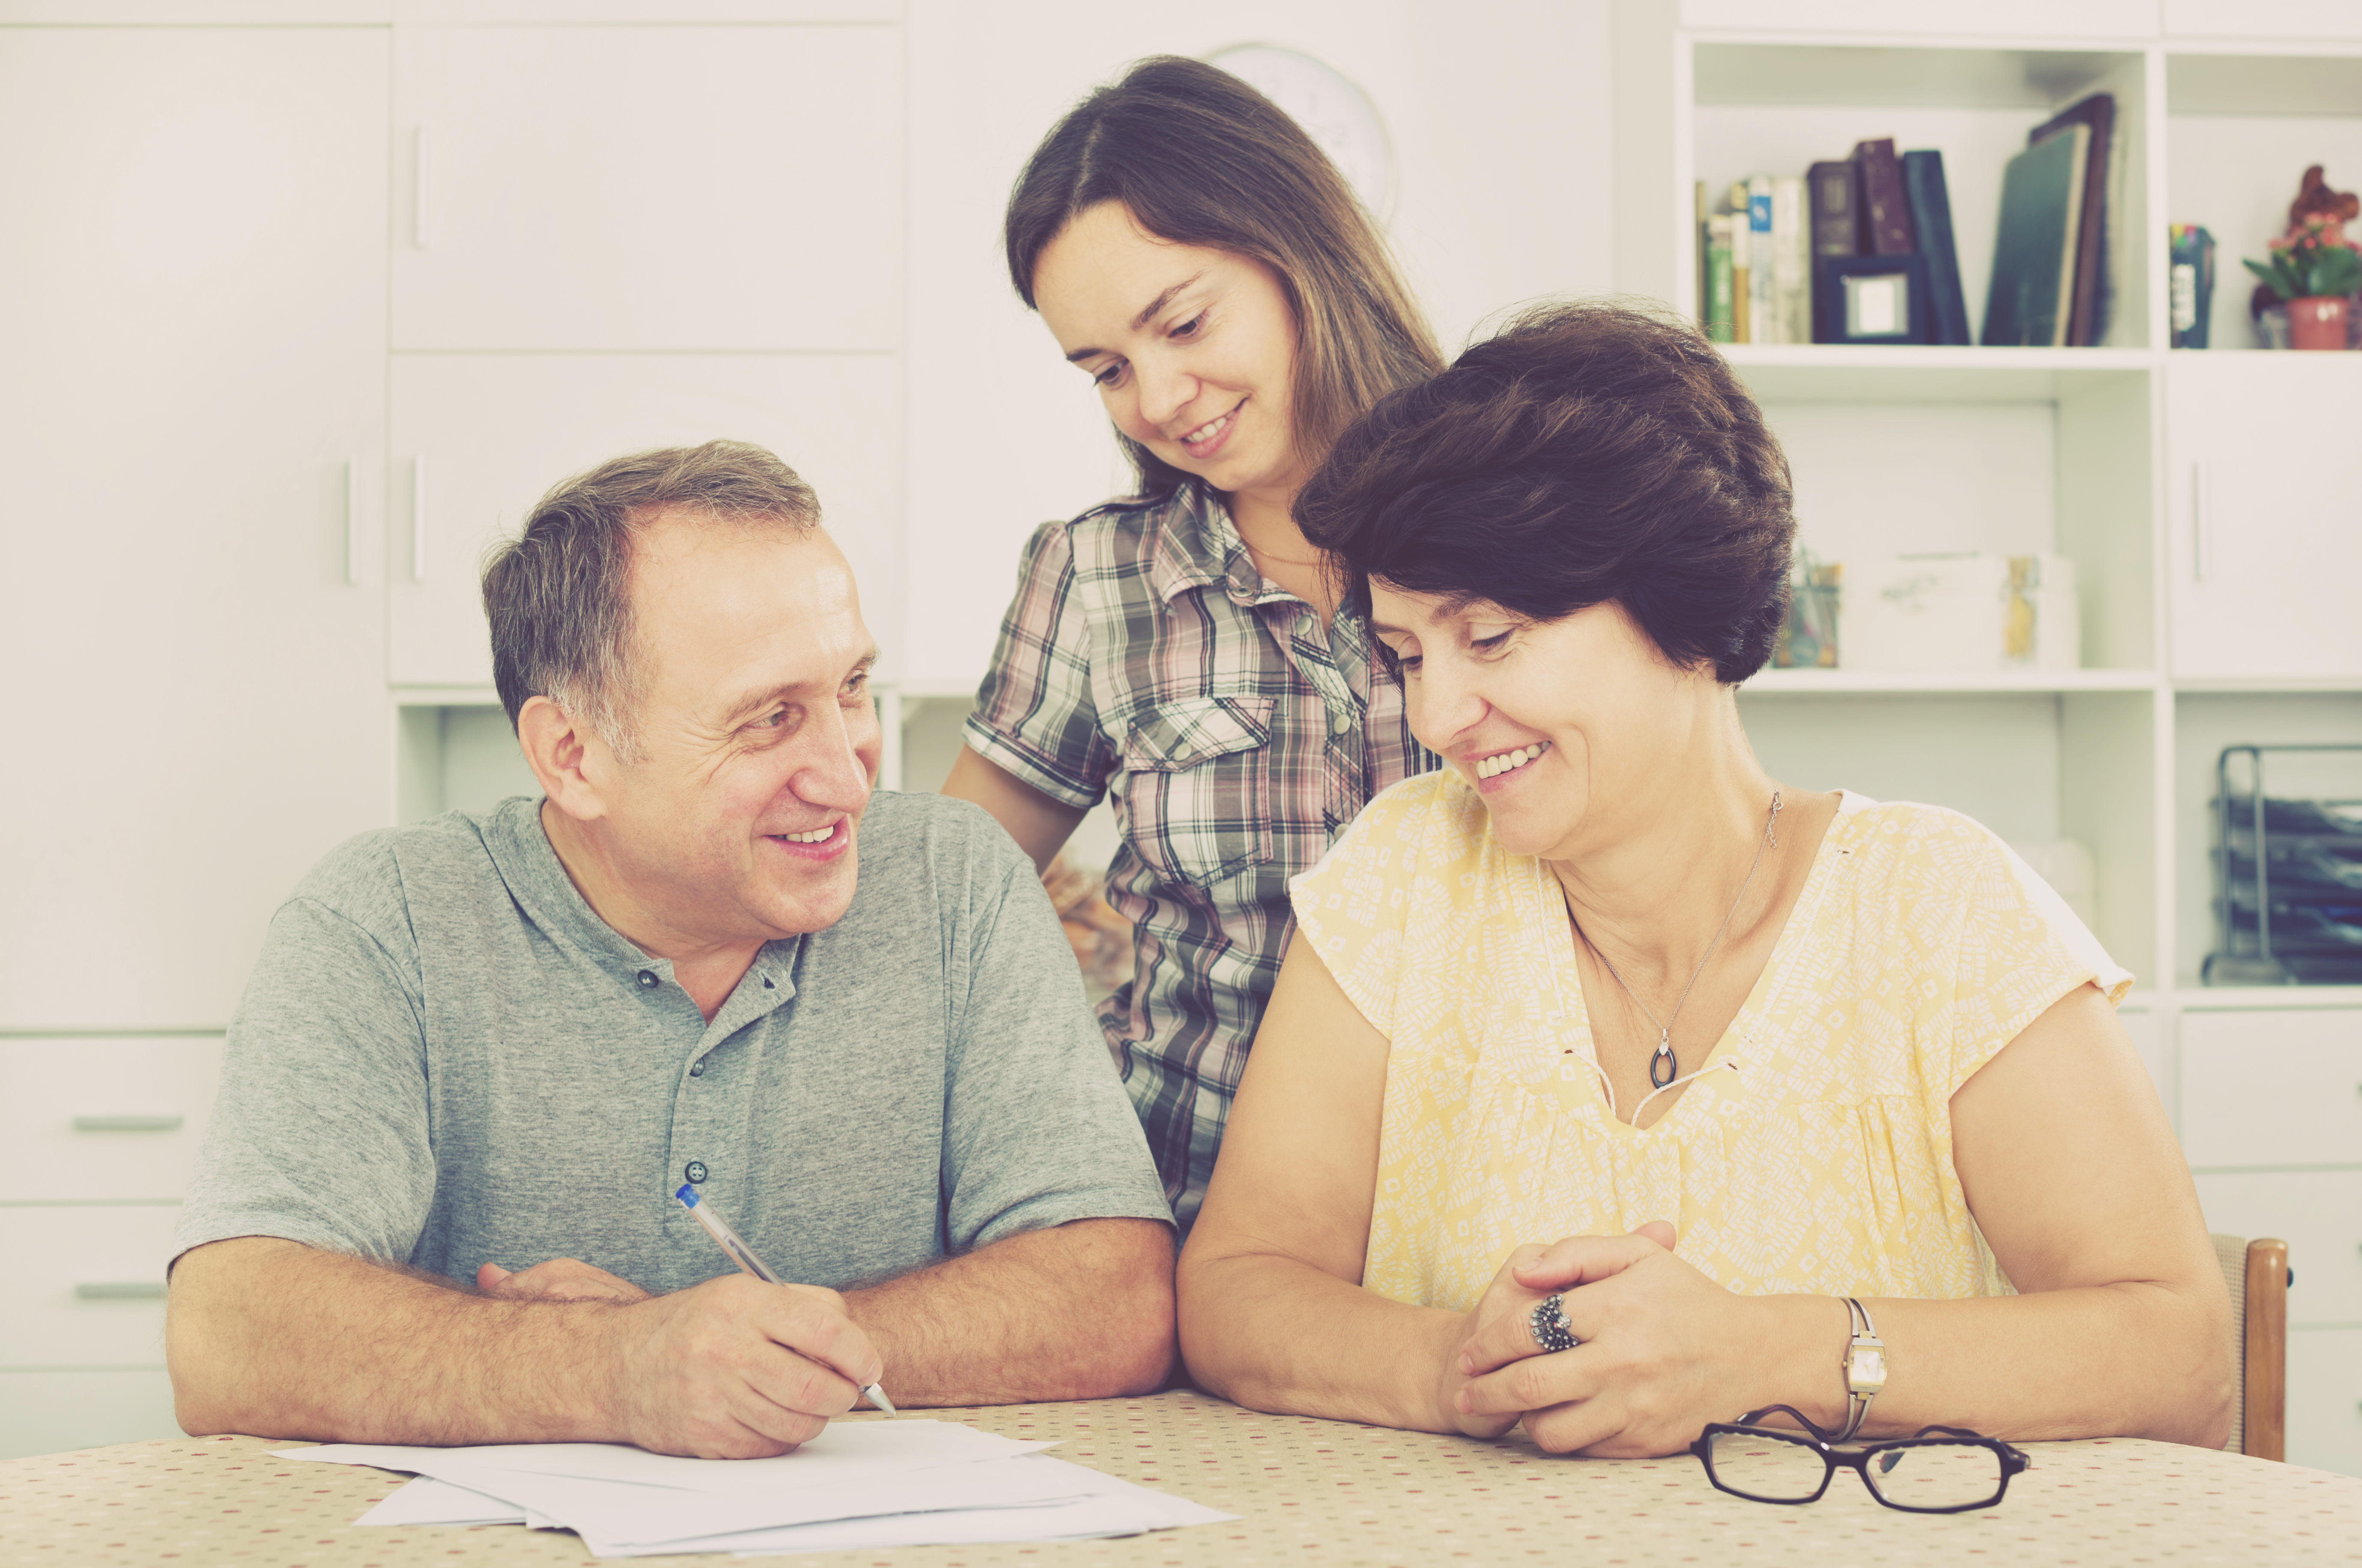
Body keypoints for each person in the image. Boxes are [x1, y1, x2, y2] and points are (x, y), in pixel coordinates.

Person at [1176, 304, 2234, 1455]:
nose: (1437, 717)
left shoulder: (1938, 909)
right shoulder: (1403, 873)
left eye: (1489, 639)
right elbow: (1236, 1285)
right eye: (1407, 656)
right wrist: (1453, 1370)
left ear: (1677, 604)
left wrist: (1761, 1357)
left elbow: (2177, 1354)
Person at [166, 441, 1176, 1459]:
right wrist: (620, 1365)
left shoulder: (956, 879)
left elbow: (1116, 1295)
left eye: (853, 688)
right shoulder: (385, 921)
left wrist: (712, 1352)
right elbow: (228, 1330)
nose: (846, 773)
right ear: (574, 755)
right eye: (770, 718)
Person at [941, 57, 1443, 1227]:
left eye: (1182, 322)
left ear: (1299, 249)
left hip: (1484, 1229)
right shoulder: (1096, 580)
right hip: (1188, 1220)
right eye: (1105, 370)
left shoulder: (1518, 524)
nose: (1157, 399)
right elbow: (944, 905)